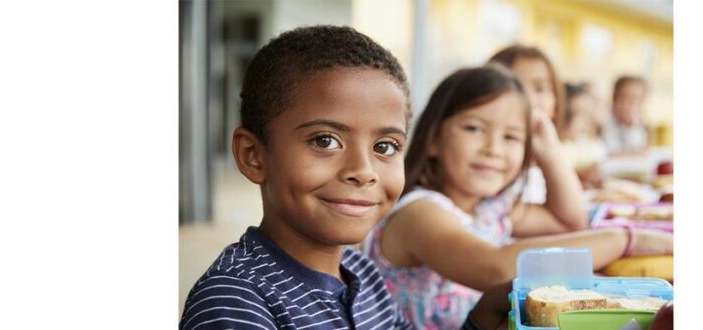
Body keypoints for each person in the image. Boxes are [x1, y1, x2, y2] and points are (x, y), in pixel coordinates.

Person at [180, 25, 507, 330]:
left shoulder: (361, 272)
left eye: (385, 146)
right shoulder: (233, 303)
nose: (363, 171)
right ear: (253, 155)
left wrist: (482, 318)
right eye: (325, 141)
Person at [362, 65, 674, 329]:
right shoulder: (418, 213)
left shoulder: (489, 209)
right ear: (433, 139)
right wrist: (625, 238)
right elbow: (495, 268)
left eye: (511, 136)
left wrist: (549, 148)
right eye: (474, 128)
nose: (494, 149)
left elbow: (569, 220)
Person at [488, 45, 590, 231]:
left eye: (540, 89)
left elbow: (573, 220)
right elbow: (573, 223)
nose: (529, 99)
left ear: (555, 105)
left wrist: (551, 152)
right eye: (516, 86)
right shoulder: (489, 164)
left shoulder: (539, 164)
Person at [562, 82, 610, 189]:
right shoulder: (558, 148)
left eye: (586, 114)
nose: (583, 122)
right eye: (576, 114)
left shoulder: (589, 144)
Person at [603, 75, 651, 155]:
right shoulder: (603, 121)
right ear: (614, 98)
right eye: (623, 97)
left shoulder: (642, 124)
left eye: (635, 99)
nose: (628, 104)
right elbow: (611, 152)